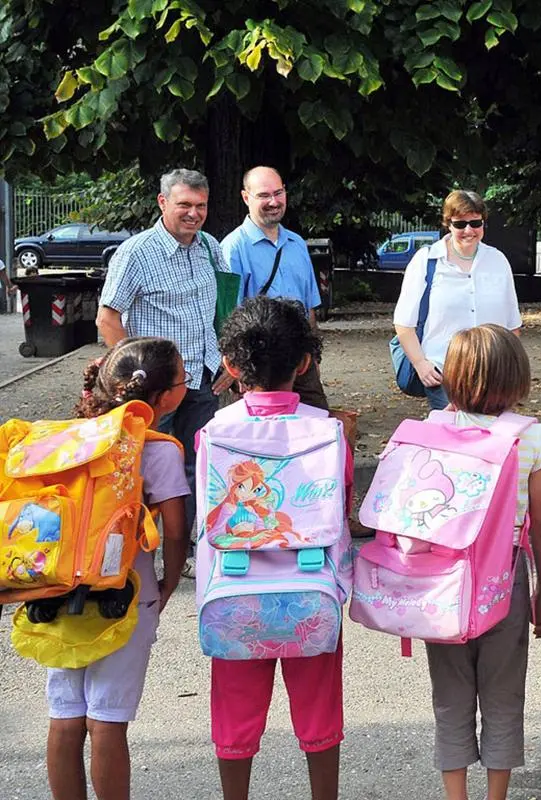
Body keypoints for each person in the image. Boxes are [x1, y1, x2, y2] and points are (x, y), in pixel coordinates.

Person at [201, 297, 348, 800]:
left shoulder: (214, 433)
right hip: (311, 589)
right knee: (319, 708)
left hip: (234, 591)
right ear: (304, 363)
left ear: (230, 365)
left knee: (235, 712)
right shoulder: (329, 431)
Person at [46, 338, 190, 800]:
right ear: (166, 397)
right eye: (183, 379)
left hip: (59, 588)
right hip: (126, 597)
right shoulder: (160, 450)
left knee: (66, 714)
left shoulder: (70, 438)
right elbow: (173, 528)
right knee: (107, 719)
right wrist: (168, 580)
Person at [422, 324, 541, 800]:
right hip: (506, 578)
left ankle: (455, 794)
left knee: (450, 692)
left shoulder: (431, 430)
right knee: (503, 693)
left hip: (442, 581)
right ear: (517, 377)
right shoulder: (531, 437)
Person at [97, 168, 235, 576]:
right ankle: (132, 555)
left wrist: (227, 361)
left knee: (196, 467)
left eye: (201, 206)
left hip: (204, 378)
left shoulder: (211, 247)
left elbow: (222, 309)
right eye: (184, 205)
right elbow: (108, 318)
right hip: (154, 388)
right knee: (141, 470)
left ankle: (188, 552)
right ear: (162, 203)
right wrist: (132, 373)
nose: (193, 214)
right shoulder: (136, 253)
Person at [392, 190, 521, 411]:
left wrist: (509, 371)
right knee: (455, 439)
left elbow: (513, 325)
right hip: (446, 372)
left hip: (493, 374)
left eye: (475, 223)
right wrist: (421, 364)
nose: (469, 230)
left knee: (492, 440)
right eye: (460, 224)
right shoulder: (427, 260)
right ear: (448, 224)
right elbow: (404, 323)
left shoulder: (498, 260)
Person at [220, 166, 328, 409]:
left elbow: (308, 308)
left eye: (278, 193)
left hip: (300, 359)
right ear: (246, 197)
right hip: (258, 363)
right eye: (263, 195)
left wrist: (313, 358)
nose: (273, 201)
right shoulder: (232, 248)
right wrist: (239, 366)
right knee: (260, 436)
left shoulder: (297, 244)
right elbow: (229, 317)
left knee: (316, 424)